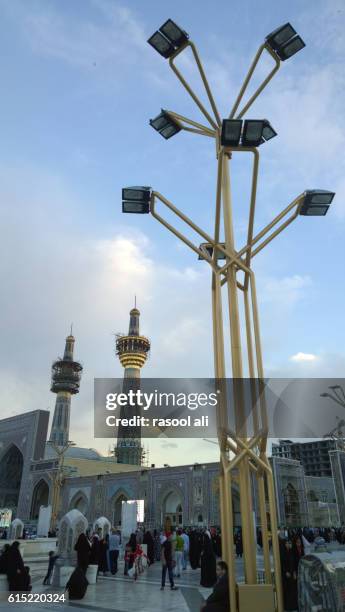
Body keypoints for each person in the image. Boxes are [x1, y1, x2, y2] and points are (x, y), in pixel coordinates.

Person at [280, 538, 298, 611]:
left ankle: (294, 606)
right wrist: (285, 572)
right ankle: (287, 607)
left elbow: (294, 563)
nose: (288, 544)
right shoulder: (282, 552)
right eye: (287, 543)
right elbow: (282, 564)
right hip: (286, 575)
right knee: (287, 591)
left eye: (290, 543)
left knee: (293, 591)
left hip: (292, 574)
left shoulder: (292, 552)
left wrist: (294, 572)